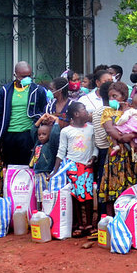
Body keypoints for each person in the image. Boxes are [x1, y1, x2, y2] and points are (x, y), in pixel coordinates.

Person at [99, 82, 137, 214]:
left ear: (124, 96)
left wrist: (130, 136)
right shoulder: (107, 112)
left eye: (115, 96)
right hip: (117, 154)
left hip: (134, 153)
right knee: (114, 185)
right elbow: (110, 130)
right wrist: (122, 138)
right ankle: (113, 219)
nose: (112, 100)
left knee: (136, 185)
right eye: (110, 97)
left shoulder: (132, 109)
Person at [0, 62, 49, 167]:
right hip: (9, 135)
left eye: (29, 76)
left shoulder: (37, 90)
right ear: (15, 75)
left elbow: (44, 111)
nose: (27, 79)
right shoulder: (6, 91)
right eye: (23, 76)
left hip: (28, 135)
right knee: (11, 167)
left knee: (27, 166)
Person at [56, 101, 96, 237]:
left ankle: (89, 224)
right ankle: (79, 224)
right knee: (76, 196)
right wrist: (55, 171)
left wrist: (94, 157)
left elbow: (95, 146)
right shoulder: (66, 131)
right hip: (72, 166)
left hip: (87, 166)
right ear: (77, 114)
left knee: (88, 195)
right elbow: (61, 151)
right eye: (84, 109)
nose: (87, 111)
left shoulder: (91, 128)